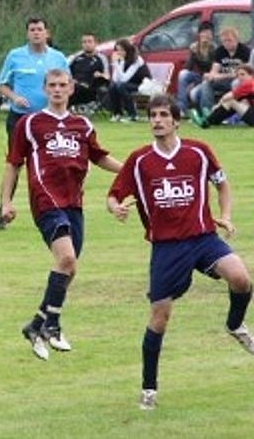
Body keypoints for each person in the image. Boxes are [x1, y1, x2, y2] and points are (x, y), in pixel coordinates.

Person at [106, 94, 254, 410]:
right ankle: (149, 389)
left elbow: (222, 185)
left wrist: (225, 216)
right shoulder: (140, 160)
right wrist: (116, 207)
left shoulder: (198, 152)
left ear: (176, 120)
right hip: (166, 247)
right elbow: (114, 194)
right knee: (160, 316)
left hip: (203, 238)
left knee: (241, 278)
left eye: (163, 115)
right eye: (152, 115)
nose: (157, 120)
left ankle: (235, 324)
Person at [0, 69, 121, 361]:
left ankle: (35, 325)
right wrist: (6, 202)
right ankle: (52, 325)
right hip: (46, 201)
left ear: (71, 88)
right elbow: (13, 164)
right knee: (66, 259)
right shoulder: (30, 124)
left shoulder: (83, 125)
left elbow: (99, 156)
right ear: (44, 89)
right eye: (51, 85)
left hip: (73, 203)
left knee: (69, 267)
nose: (57, 89)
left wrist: (131, 169)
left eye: (62, 85)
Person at [0, 17, 69, 230]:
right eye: (32, 29)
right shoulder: (15, 56)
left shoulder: (58, 58)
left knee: (52, 163)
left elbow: (67, 86)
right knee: (15, 163)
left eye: (40, 29)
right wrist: (14, 97)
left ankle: (56, 208)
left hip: (48, 120)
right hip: (21, 119)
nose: (36, 33)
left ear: (47, 33)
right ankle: (4, 208)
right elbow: (2, 85)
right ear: (27, 34)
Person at [191, 27, 252, 123]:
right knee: (207, 83)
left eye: (229, 40)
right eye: (224, 41)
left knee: (234, 89)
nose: (227, 43)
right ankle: (207, 113)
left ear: (237, 40)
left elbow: (243, 77)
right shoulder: (219, 51)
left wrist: (219, 104)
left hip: (239, 86)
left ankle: (213, 118)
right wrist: (226, 75)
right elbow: (213, 74)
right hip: (225, 82)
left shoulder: (246, 51)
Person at [175, 21, 215, 113]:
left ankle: (203, 112)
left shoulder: (214, 48)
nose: (206, 35)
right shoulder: (195, 47)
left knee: (194, 93)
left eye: (208, 33)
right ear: (199, 34)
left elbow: (213, 69)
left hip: (209, 78)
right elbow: (188, 67)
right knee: (183, 74)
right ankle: (181, 107)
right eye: (203, 32)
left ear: (212, 35)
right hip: (199, 76)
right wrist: (193, 53)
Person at [107, 39, 151, 122]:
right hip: (129, 84)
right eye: (117, 50)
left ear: (128, 50)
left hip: (142, 85)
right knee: (112, 86)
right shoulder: (120, 60)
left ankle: (133, 114)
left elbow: (124, 79)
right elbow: (115, 79)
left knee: (121, 86)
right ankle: (117, 114)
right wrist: (117, 64)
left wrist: (118, 63)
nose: (119, 52)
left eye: (122, 50)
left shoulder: (137, 60)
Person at [67, 33, 110, 110]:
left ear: (95, 43)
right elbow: (65, 72)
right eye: (84, 42)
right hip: (74, 85)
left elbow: (107, 76)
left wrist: (100, 75)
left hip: (90, 88)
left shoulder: (101, 58)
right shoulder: (76, 57)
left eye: (89, 42)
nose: (87, 44)